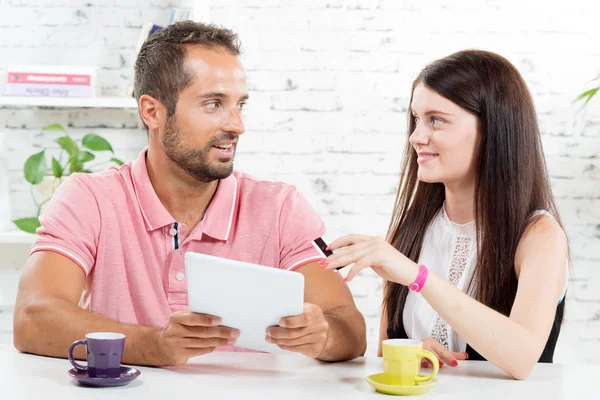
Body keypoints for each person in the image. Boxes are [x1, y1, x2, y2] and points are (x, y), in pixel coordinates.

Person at [13, 21, 366, 366]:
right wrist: (154, 346)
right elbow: (33, 317)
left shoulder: (278, 207)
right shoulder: (90, 198)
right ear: (152, 111)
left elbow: (349, 329)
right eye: (213, 104)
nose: (236, 125)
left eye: (239, 104)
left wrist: (323, 337)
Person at [321, 50, 568, 380]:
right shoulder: (409, 232)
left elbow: (522, 358)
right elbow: (383, 359)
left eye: (436, 120)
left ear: (492, 129)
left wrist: (417, 277)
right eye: (415, 119)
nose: (416, 137)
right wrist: (414, 352)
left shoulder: (538, 236)